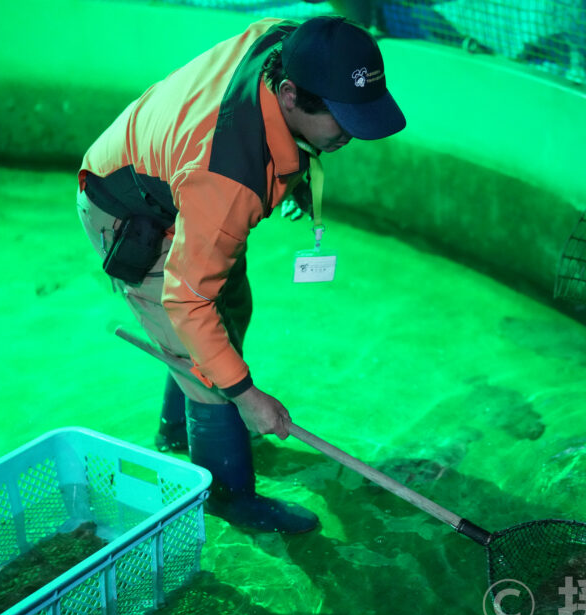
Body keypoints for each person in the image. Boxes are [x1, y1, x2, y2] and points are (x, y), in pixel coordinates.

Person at [76, 16, 406, 534]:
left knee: (233, 309)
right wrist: (248, 397)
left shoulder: (286, 42)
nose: (351, 134)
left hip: (174, 174)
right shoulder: (228, 179)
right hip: (130, 211)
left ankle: (176, 435)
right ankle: (228, 497)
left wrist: (294, 173)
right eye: (342, 120)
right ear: (291, 95)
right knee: (208, 366)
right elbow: (187, 301)